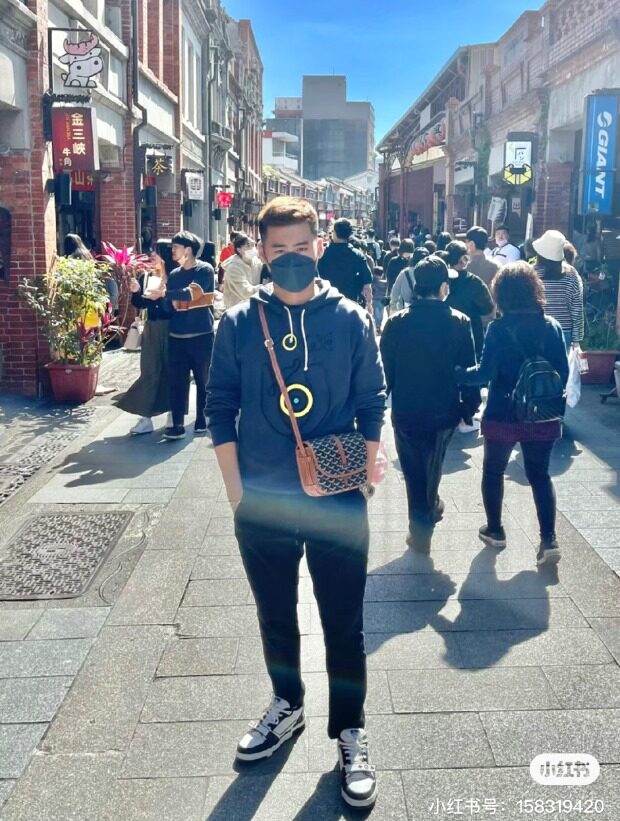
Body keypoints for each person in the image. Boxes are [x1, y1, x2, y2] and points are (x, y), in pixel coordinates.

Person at [206, 196, 385, 810]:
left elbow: (373, 400)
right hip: (263, 502)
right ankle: (287, 705)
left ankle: (351, 730)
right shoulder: (238, 324)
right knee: (276, 614)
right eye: (278, 249)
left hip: (337, 501)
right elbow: (220, 408)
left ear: (319, 247)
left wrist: (366, 475)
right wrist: (237, 495)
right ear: (262, 250)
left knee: (344, 621)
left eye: (301, 248)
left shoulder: (350, 319)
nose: (290, 259)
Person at [455, 262, 569, 566]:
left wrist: (457, 374)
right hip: (542, 415)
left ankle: (495, 530)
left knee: (493, 471)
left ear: (501, 294)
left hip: (502, 413)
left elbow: (484, 374)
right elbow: (563, 372)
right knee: (540, 475)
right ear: (534, 290)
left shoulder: (498, 329)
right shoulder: (551, 326)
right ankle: (549, 540)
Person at [381, 255, 479, 535]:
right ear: (443, 287)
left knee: (413, 470)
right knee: (433, 465)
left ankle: (421, 521)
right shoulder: (459, 322)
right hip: (444, 408)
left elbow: (386, 371)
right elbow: (468, 370)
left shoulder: (395, 323)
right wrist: (469, 406)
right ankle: (427, 512)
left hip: (406, 408)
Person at [145, 230, 215, 440]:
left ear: (188, 250)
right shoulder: (174, 275)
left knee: (203, 381)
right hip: (177, 335)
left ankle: (202, 418)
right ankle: (177, 425)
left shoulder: (205, 270)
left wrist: (166, 295)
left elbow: (193, 293)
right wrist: (160, 297)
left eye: (176, 247)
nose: (172, 251)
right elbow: (170, 306)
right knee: (177, 382)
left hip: (202, 334)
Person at [116, 241, 175, 434]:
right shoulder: (146, 276)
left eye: (157, 252)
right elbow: (140, 304)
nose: (152, 256)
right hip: (152, 327)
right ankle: (145, 417)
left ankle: (173, 413)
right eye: (151, 252)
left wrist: (162, 295)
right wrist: (136, 292)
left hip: (172, 328)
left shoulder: (175, 277)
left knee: (171, 371)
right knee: (150, 370)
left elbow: (177, 305)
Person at [532, 230, 584, 352]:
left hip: (536, 329)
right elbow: (576, 308)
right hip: (564, 330)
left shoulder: (531, 274)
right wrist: (576, 340)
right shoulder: (571, 274)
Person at [445, 241, 494, 360]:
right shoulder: (474, 282)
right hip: (471, 336)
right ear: (464, 259)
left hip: (444, 335)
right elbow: (487, 308)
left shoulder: (441, 280)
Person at [317, 218, 373, 307]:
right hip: (350, 303)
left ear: (334, 233)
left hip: (325, 302)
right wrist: (369, 305)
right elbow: (367, 285)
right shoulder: (357, 255)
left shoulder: (323, 253)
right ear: (349, 234)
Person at [222, 233, 263, 309]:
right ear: (239, 249)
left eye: (253, 245)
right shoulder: (233, 268)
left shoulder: (257, 262)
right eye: (248, 245)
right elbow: (246, 292)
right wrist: (264, 287)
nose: (252, 249)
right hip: (236, 309)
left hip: (253, 307)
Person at [389, 247, 428, 311]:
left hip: (406, 309)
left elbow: (395, 290)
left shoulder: (405, 272)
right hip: (425, 308)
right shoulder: (430, 273)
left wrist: (393, 306)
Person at [371, 266, 387, 332]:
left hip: (374, 299)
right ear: (382, 274)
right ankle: (379, 326)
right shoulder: (385, 283)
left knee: (375, 313)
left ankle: (376, 326)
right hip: (382, 300)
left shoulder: (372, 282)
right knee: (381, 313)